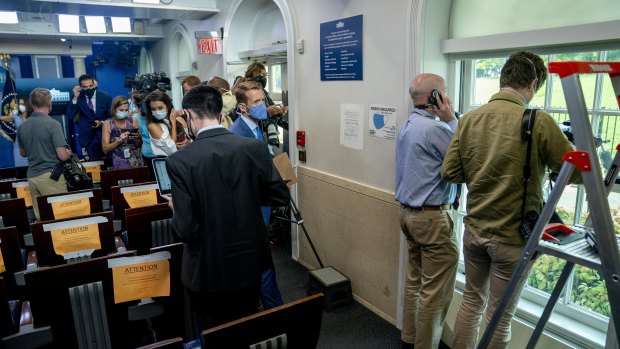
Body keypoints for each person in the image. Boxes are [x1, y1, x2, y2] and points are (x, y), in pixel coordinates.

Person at [441, 51, 578, 349]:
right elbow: (577, 173)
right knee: (499, 316)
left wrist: (483, 167)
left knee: (471, 303)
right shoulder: (538, 122)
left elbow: (450, 171)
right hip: (513, 239)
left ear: (503, 79)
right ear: (532, 83)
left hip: (475, 230)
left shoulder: (469, 118)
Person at [165, 85, 290, 339]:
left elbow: (186, 230)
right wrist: (244, 198)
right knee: (247, 327)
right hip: (250, 262)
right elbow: (280, 195)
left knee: (213, 334)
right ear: (221, 113)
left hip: (207, 269)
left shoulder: (180, 161)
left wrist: (176, 209)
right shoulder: (253, 148)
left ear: (188, 115)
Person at [395, 73, 459, 349]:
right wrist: (451, 119)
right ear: (435, 97)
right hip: (432, 219)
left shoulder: (409, 124)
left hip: (409, 215)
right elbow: (465, 156)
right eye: (443, 93)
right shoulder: (436, 130)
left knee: (415, 281)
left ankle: (410, 338)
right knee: (435, 292)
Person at [230, 80, 285, 310]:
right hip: (250, 210)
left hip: (263, 205)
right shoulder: (236, 135)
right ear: (243, 107)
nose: (263, 105)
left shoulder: (257, 127)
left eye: (263, 100)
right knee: (261, 266)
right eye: (257, 102)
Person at [17, 88, 71, 221]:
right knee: (61, 216)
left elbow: (23, 153)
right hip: (51, 176)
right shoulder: (53, 124)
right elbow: (63, 156)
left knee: (42, 220)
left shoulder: (22, 127)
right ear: (49, 104)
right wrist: (68, 152)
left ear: (32, 104)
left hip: (32, 177)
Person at [65, 74, 113, 161]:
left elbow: (111, 117)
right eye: (85, 87)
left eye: (91, 86)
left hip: (105, 134)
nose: (89, 88)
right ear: (80, 87)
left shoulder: (105, 96)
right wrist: (75, 97)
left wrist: (102, 123)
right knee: (94, 165)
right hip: (88, 137)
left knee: (109, 163)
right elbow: (70, 115)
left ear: (94, 84)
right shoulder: (78, 98)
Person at [101, 96, 144, 169]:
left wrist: (138, 138)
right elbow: (105, 149)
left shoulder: (133, 121)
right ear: (114, 109)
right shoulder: (108, 123)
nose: (124, 112)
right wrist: (119, 141)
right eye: (121, 110)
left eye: (126, 110)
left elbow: (138, 145)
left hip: (135, 162)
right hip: (119, 163)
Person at [144, 90, 189, 157]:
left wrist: (188, 143)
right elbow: (171, 148)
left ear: (167, 106)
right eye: (153, 109)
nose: (157, 111)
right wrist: (173, 123)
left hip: (184, 159)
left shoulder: (179, 120)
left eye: (160, 108)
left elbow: (191, 140)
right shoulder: (153, 126)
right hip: (166, 163)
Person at [13, 97, 31, 167]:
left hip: (31, 149)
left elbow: (27, 128)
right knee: (20, 171)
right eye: (19, 104)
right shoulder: (16, 117)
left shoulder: (32, 117)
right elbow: (2, 118)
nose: (20, 105)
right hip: (18, 148)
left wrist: (24, 116)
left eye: (22, 104)